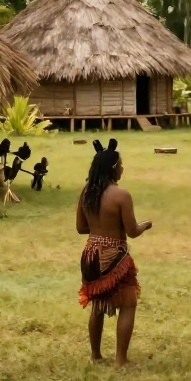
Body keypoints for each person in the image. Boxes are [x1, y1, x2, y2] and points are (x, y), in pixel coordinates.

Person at [76, 139, 152, 366]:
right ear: (112, 168)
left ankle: (96, 355)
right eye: (120, 164)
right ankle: (121, 359)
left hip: (90, 255)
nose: (122, 168)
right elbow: (132, 231)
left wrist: (99, 229)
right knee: (128, 304)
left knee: (97, 305)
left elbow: (81, 228)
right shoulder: (121, 195)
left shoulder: (87, 193)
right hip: (114, 255)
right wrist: (146, 225)